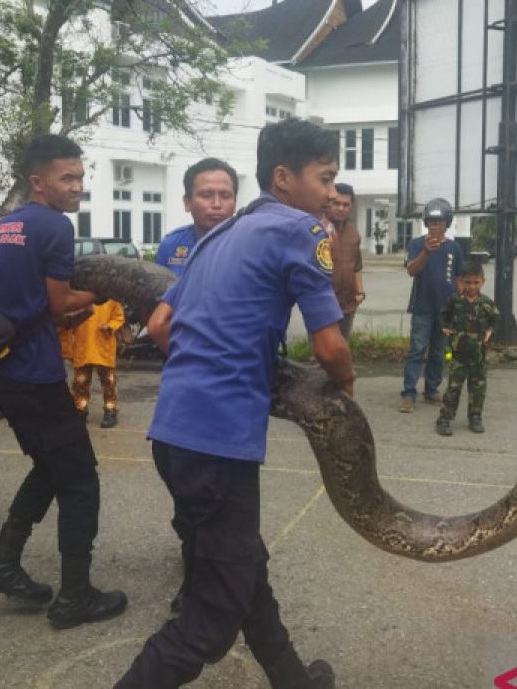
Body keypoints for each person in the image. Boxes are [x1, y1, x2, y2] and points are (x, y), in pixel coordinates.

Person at [114, 118, 352, 689]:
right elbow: (329, 345)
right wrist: (346, 387)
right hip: (218, 443)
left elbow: (162, 323)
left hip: (173, 434)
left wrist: (209, 362)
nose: (331, 194)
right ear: (284, 178)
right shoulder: (300, 230)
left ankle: (292, 679)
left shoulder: (218, 235)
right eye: (325, 179)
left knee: (242, 565)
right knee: (210, 622)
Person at [0, 134, 128, 629]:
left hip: (2, 368)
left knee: (49, 465)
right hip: (35, 374)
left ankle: (1, 564)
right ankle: (75, 596)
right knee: (80, 480)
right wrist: (99, 293)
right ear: (38, 182)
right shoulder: (55, 226)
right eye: (68, 178)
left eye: (80, 177)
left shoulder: (4, 226)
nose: (77, 187)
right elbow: (59, 306)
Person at [397, 198, 463, 413]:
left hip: (445, 311)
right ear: (426, 223)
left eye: (440, 221)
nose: (436, 226)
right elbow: (411, 271)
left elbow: (460, 279)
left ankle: (432, 389)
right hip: (422, 308)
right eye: (432, 222)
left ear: (447, 223)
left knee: (439, 352)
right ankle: (408, 393)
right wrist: (426, 251)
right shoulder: (417, 244)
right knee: (417, 350)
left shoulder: (455, 247)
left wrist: (459, 305)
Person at [435, 261, 499, 436]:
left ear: (482, 282)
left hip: (479, 356)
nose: (472, 286)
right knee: (453, 388)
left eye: (476, 282)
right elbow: (443, 315)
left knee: (477, 388)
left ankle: (475, 417)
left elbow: (495, 320)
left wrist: (490, 331)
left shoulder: (486, 303)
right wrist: (444, 327)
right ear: (461, 282)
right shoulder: (455, 301)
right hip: (458, 355)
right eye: (468, 282)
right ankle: (446, 419)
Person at [155, 157, 239, 276]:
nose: (217, 204)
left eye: (225, 196)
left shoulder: (250, 247)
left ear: (235, 203)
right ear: (188, 202)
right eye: (206, 195)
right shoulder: (171, 245)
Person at [60, 300, 125, 428]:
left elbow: (119, 317)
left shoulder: (111, 299)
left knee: (108, 382)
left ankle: (110, 410)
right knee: (80, 382)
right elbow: (67, 320)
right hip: (82, 346)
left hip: (102, 346)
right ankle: (80, 410)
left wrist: (109, 326)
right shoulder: (80, 298)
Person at [322, 182, 364, 339]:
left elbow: (357, 266)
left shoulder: (354, 234)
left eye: (346, 204)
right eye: (336, 203)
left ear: (351, 207)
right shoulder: (317, 229)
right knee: (322, 352)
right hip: (323, 304)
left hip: (348, 305)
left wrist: (360, 293)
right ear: (329, 204)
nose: (341, 208)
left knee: (343, 346)